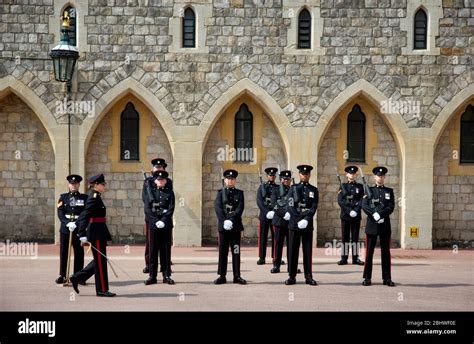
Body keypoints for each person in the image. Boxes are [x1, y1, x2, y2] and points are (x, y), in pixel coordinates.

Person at [70, 174, 116, 297]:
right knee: (101, 261)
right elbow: (85, 215)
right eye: (103, 184)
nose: (104, 186)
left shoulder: (97, 196)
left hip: (99, 231)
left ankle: (77, 277)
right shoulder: (93, 197)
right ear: (96, 185)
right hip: (96, 232)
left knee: (100, 259)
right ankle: (102, 289)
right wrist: (82, 233)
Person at [361, 166, 396, 287]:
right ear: (375, 177)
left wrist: (380, 214)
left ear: (384, 177)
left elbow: (390, 207)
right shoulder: (368, 190)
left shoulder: (389, 191)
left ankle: (387, 278)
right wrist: (373, 214)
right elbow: (364, 205)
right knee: (369, 253)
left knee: (385, 253)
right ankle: (367, 277)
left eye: (382, 176)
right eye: (378, 175)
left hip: (384, 225)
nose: (380, 177)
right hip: (372, 225)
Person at [285, 165, 318, 286]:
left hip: (307, 225)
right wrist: (299, 219)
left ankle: (308, 277)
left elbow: (313, 207)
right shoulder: (293, 188)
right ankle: (292, 276)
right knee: (293, 251)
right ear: (299, 175)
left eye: (307, 174)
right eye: (303, 174)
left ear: (309, 175)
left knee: (307, 251)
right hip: (294, 224)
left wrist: (307, 219)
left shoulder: (313, 190)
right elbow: (290, 205)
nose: (305, 175)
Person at [214, 169, 246, 285]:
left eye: (232, 179)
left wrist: (231, 220)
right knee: (223, 252)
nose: (230, 181)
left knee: (236, 251)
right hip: (224, 228)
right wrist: (224, 221)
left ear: (235, 180)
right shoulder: (220, 193)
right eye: (228, 179)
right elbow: (218, 209)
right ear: (225, 180)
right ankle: (222, 276)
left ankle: (237, 276)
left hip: (235, 227)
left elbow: (240, 208)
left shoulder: (239, 193)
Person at [144, 170, 175, 285]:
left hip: (166, 225)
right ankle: (152, 276)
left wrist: (163, 220)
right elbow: (147, 209)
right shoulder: (150, 193)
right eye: (158, 180)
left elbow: (171, 208)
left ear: (166, 181)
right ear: (155, 181)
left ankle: (166, 275)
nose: (161, 181)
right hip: (154, 225)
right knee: (153, 251)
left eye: (163, 180)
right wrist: (156, 221)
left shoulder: (170, 193)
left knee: (165, 250)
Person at [55, 174, 88, 284]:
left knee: (79, 253)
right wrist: (67, 223)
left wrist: (77, 223)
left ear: (79, 185)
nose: (73, 185)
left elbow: (84, 214)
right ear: (69, 185)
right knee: (64, 252)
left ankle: (78, 276)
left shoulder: (84, 198)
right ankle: (62, 275)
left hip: (78, 229)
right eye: (71, 184)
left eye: (75, 184)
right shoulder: (63, 197)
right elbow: (60, 213)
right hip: (66, 229)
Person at [337, 166, 365, 266]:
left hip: (356, 216)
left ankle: (355, 258)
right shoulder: (343, 186)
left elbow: (362, 200)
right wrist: (349, 211)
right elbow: (341, 201)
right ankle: (344, 258)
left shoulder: (360, 187)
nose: (352, 175)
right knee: (345, 238)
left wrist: (356, 210)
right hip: (345, 215)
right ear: (347, 175)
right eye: (350, 173)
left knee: (355, 238)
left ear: (356, 175)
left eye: (354, 173)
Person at [270, 170, 292, 273]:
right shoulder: (275, 190)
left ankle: (292, 266)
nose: (286, 181)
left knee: (291, 245)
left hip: (291, 222)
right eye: (284, 179)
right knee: (278, 244)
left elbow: (296, 204)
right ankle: (276, 265)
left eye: (288, 179)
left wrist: (291, 214)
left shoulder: (293, 190)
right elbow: (274, 205)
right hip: (279, 221)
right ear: (281, 179)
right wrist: (284, 214)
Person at [256, 167, 279, 265]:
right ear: (267, 176)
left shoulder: (278, 188)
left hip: (275, 215)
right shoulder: (262, 187)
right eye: (270, 175)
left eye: (273, 175)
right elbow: (259, 202)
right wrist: (266, 212)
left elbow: (280, 201)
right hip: (264, 215)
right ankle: (262, 257)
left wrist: (274, 212)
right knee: (263, 237)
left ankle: (276, 257)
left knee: (276, 237)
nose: (272, 177)